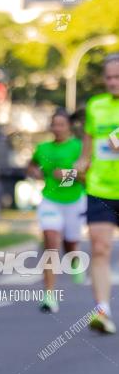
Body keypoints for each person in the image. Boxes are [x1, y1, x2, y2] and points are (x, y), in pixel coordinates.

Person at [75, 54, 119, 334]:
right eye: (109, 77)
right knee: (100, 248)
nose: (113, 82)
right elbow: (88, 148)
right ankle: (102, 311)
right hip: (100, 188)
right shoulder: (96, 106)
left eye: (118, 77)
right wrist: (81, 164)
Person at [27, 108, 86, 313]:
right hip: (50, 201)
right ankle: (49, 296)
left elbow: (87, 176)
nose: (57, 128)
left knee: (70, 242)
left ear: (69, 126)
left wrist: (67, 174)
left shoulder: (79, 147)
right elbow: (32, 165)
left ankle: (75, 259)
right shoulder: (43, 148)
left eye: (62, 124)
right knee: (51, 243)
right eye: (54, 124)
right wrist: (33, 171)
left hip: (74, 201)